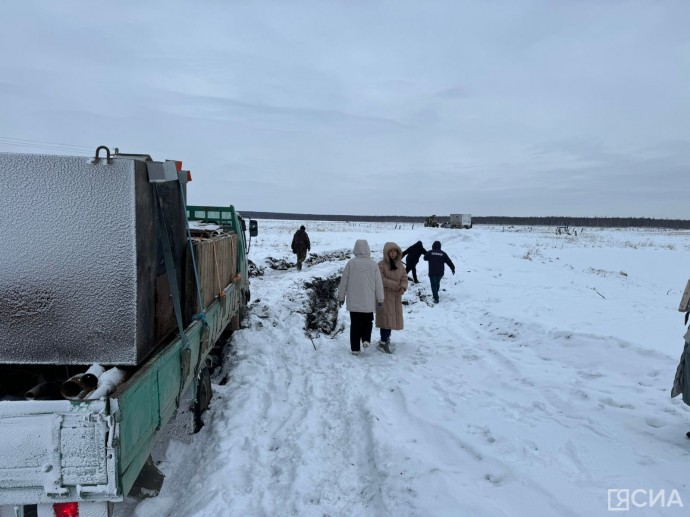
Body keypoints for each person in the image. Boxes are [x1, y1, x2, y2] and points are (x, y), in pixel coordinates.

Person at [338, 239, 384, 355]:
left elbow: (343, 282)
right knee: (368, 322)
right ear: (368, 249)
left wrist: (341, 297)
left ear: (356, 249)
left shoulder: (351, 263)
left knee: (355, 325)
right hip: (368, 302)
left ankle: (355, 349)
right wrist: (380, 299)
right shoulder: (373, 264)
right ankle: (366, 340)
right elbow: (379, 284)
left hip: (354, 303)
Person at [375, 242, 408, 354]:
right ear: (386, 253)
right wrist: (396, 285)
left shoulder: (400, 265)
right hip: (384, 296)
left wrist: (403, 287)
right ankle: (383, 342)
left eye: (395, 251)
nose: (393, 254)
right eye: (391, 251)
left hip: (396, 297)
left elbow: (404, 278)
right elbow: (381, 279)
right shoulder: (381, 265)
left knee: (391, 319)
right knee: (385, 319)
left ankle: (386, 339)